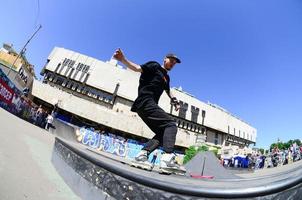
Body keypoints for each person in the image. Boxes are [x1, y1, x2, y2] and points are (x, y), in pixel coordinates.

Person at [113, 48, 184, 173]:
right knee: (171, 124)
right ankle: (167, 159)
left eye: (174, 63)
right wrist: (123, 60)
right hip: (145, 101)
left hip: (145, 106)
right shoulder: (154, 66)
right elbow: (137, 68)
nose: (172, 64)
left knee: (163, 133)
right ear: (165, 59)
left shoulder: (166, 78)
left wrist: (175, 100)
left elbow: (168, 91)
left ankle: (142, 155)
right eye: (171, 61)